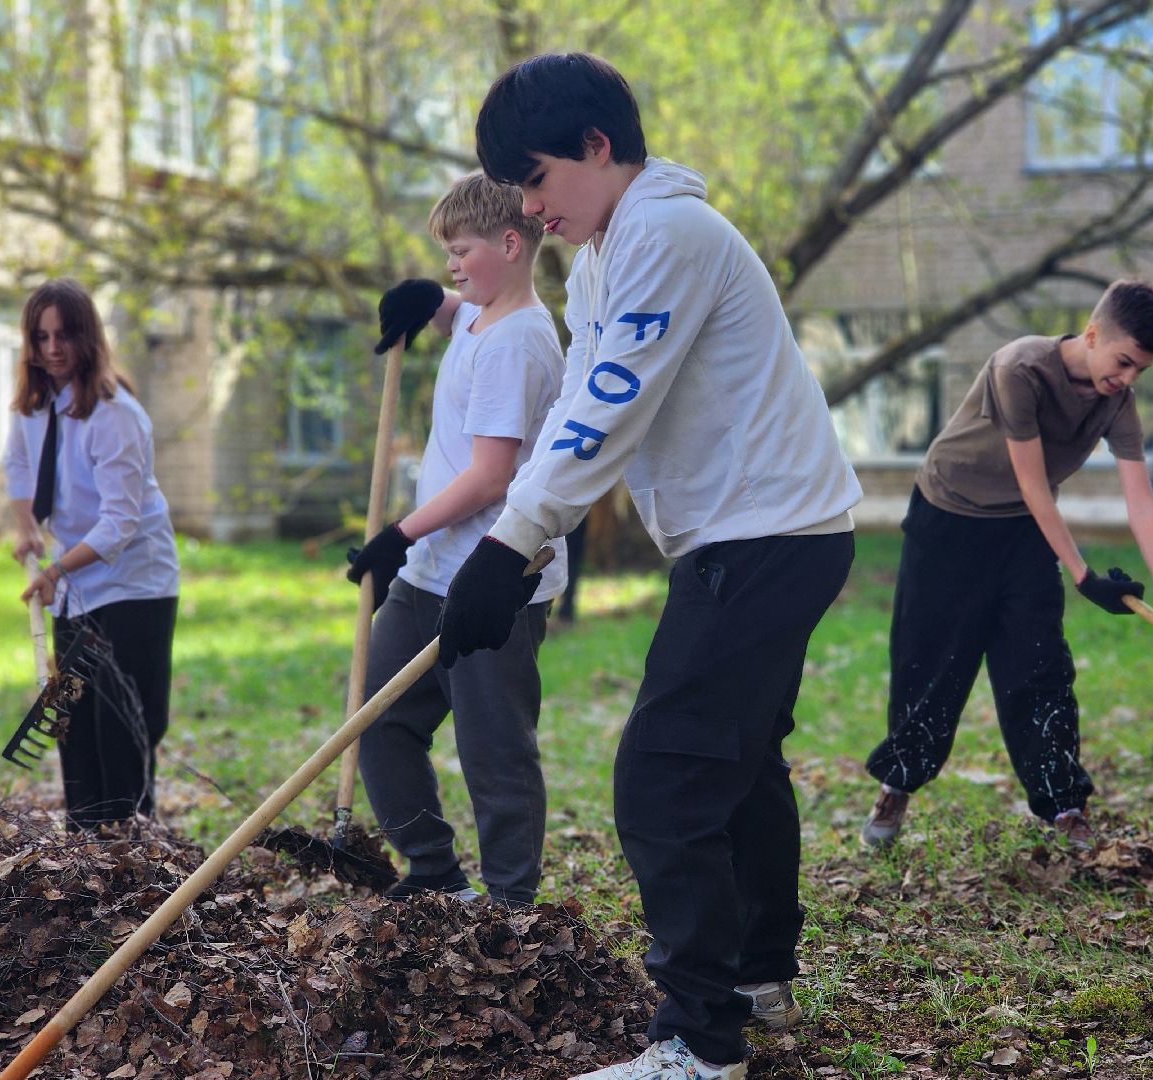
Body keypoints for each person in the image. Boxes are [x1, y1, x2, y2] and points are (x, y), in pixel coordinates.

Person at [378, 52, 860, 1080]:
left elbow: (608, 407)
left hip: (768, 536)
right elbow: (569, 412)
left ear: (599, 146)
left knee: (663, 776)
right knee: (735, 761)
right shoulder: (605, 251)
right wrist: (507, 543)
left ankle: (698, 1040)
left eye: (539, 179)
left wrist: (510, 547)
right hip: (754, 533)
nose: (530, 206)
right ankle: (754, 976)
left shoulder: (666, 235)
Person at [861, 280, 1153, 854]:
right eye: (1124, 361)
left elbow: (1140, 498)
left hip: (1022, 532)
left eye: (1141, 371)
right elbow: (1032, 484)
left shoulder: (1116, 402)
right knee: (931, 666)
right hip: (949, 520)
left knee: (1039, 664)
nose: (1127, 379)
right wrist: (1083, 575)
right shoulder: (1019, 367)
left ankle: (1064, 803)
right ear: (1093, 333)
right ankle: (898, 781)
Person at [345, 172, 568, 905]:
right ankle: (435, 874)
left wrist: (395, 535)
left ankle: (510, 906)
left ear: (511, 243)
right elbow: (463, 319)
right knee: (377, 719)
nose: (452, 265)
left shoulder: (520, 342)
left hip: (495, 578)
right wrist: (433, 305)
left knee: (493, 750)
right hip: (430, 573)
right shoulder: (480, 315)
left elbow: (490, 476)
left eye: (461, 251)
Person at [4, 278, 180, 831]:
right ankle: (86, 850)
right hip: (76, 584)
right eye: (41, 336)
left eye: (64, 335)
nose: (52, 348)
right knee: (73, 720)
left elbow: (120, 523)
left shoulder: (115, 415)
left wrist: (56, 567)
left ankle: (132, 846)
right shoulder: (34, 407)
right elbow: (17, 467)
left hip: (136, 584)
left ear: (88, 337)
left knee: (121, 726)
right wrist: (27, 527)